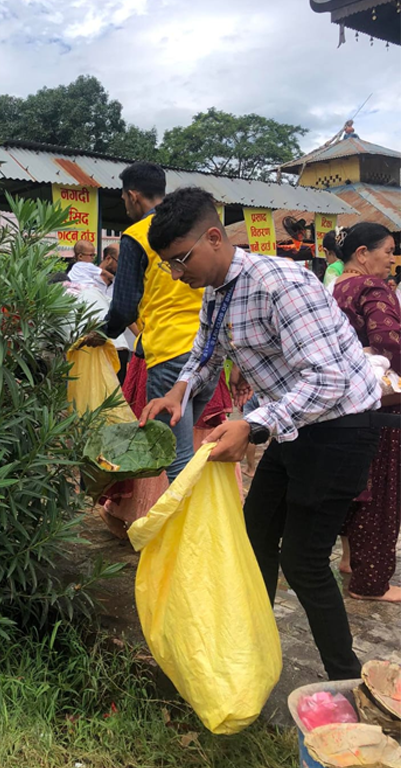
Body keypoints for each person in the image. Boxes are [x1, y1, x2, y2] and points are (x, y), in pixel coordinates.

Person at [140, 187, 381, 681]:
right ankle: (250, 652)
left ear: (214, 237)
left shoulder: (280, 283)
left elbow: (328, 380)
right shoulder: (216, 289)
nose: (177, 275)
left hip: (341, 427)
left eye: (181, 261)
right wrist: (178, 393)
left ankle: (348, 680)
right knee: (254, 537)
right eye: (168, 266)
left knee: (304, 560)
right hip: (292, 423)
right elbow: (205, 354)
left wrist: (250, 425)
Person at [100, 162, 209, 482]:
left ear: (133, 196)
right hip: (208, 352)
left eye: (123, 198)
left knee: (174, 456)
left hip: (169, 353)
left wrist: (100, 335)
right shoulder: (193, 227)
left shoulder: (136, 236)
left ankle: (187, 530)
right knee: (187, 450)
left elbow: (123, 307)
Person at [330, 223, 401, 603]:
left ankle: (349, 559)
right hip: (379, 402)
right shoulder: (374, 288)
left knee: (357, 483)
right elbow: (389, 341)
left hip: (344, 401)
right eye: (387, 251)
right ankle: (371, 583)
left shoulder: (338, 286)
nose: (392, 259)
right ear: (362, 253)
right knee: (381, 490)